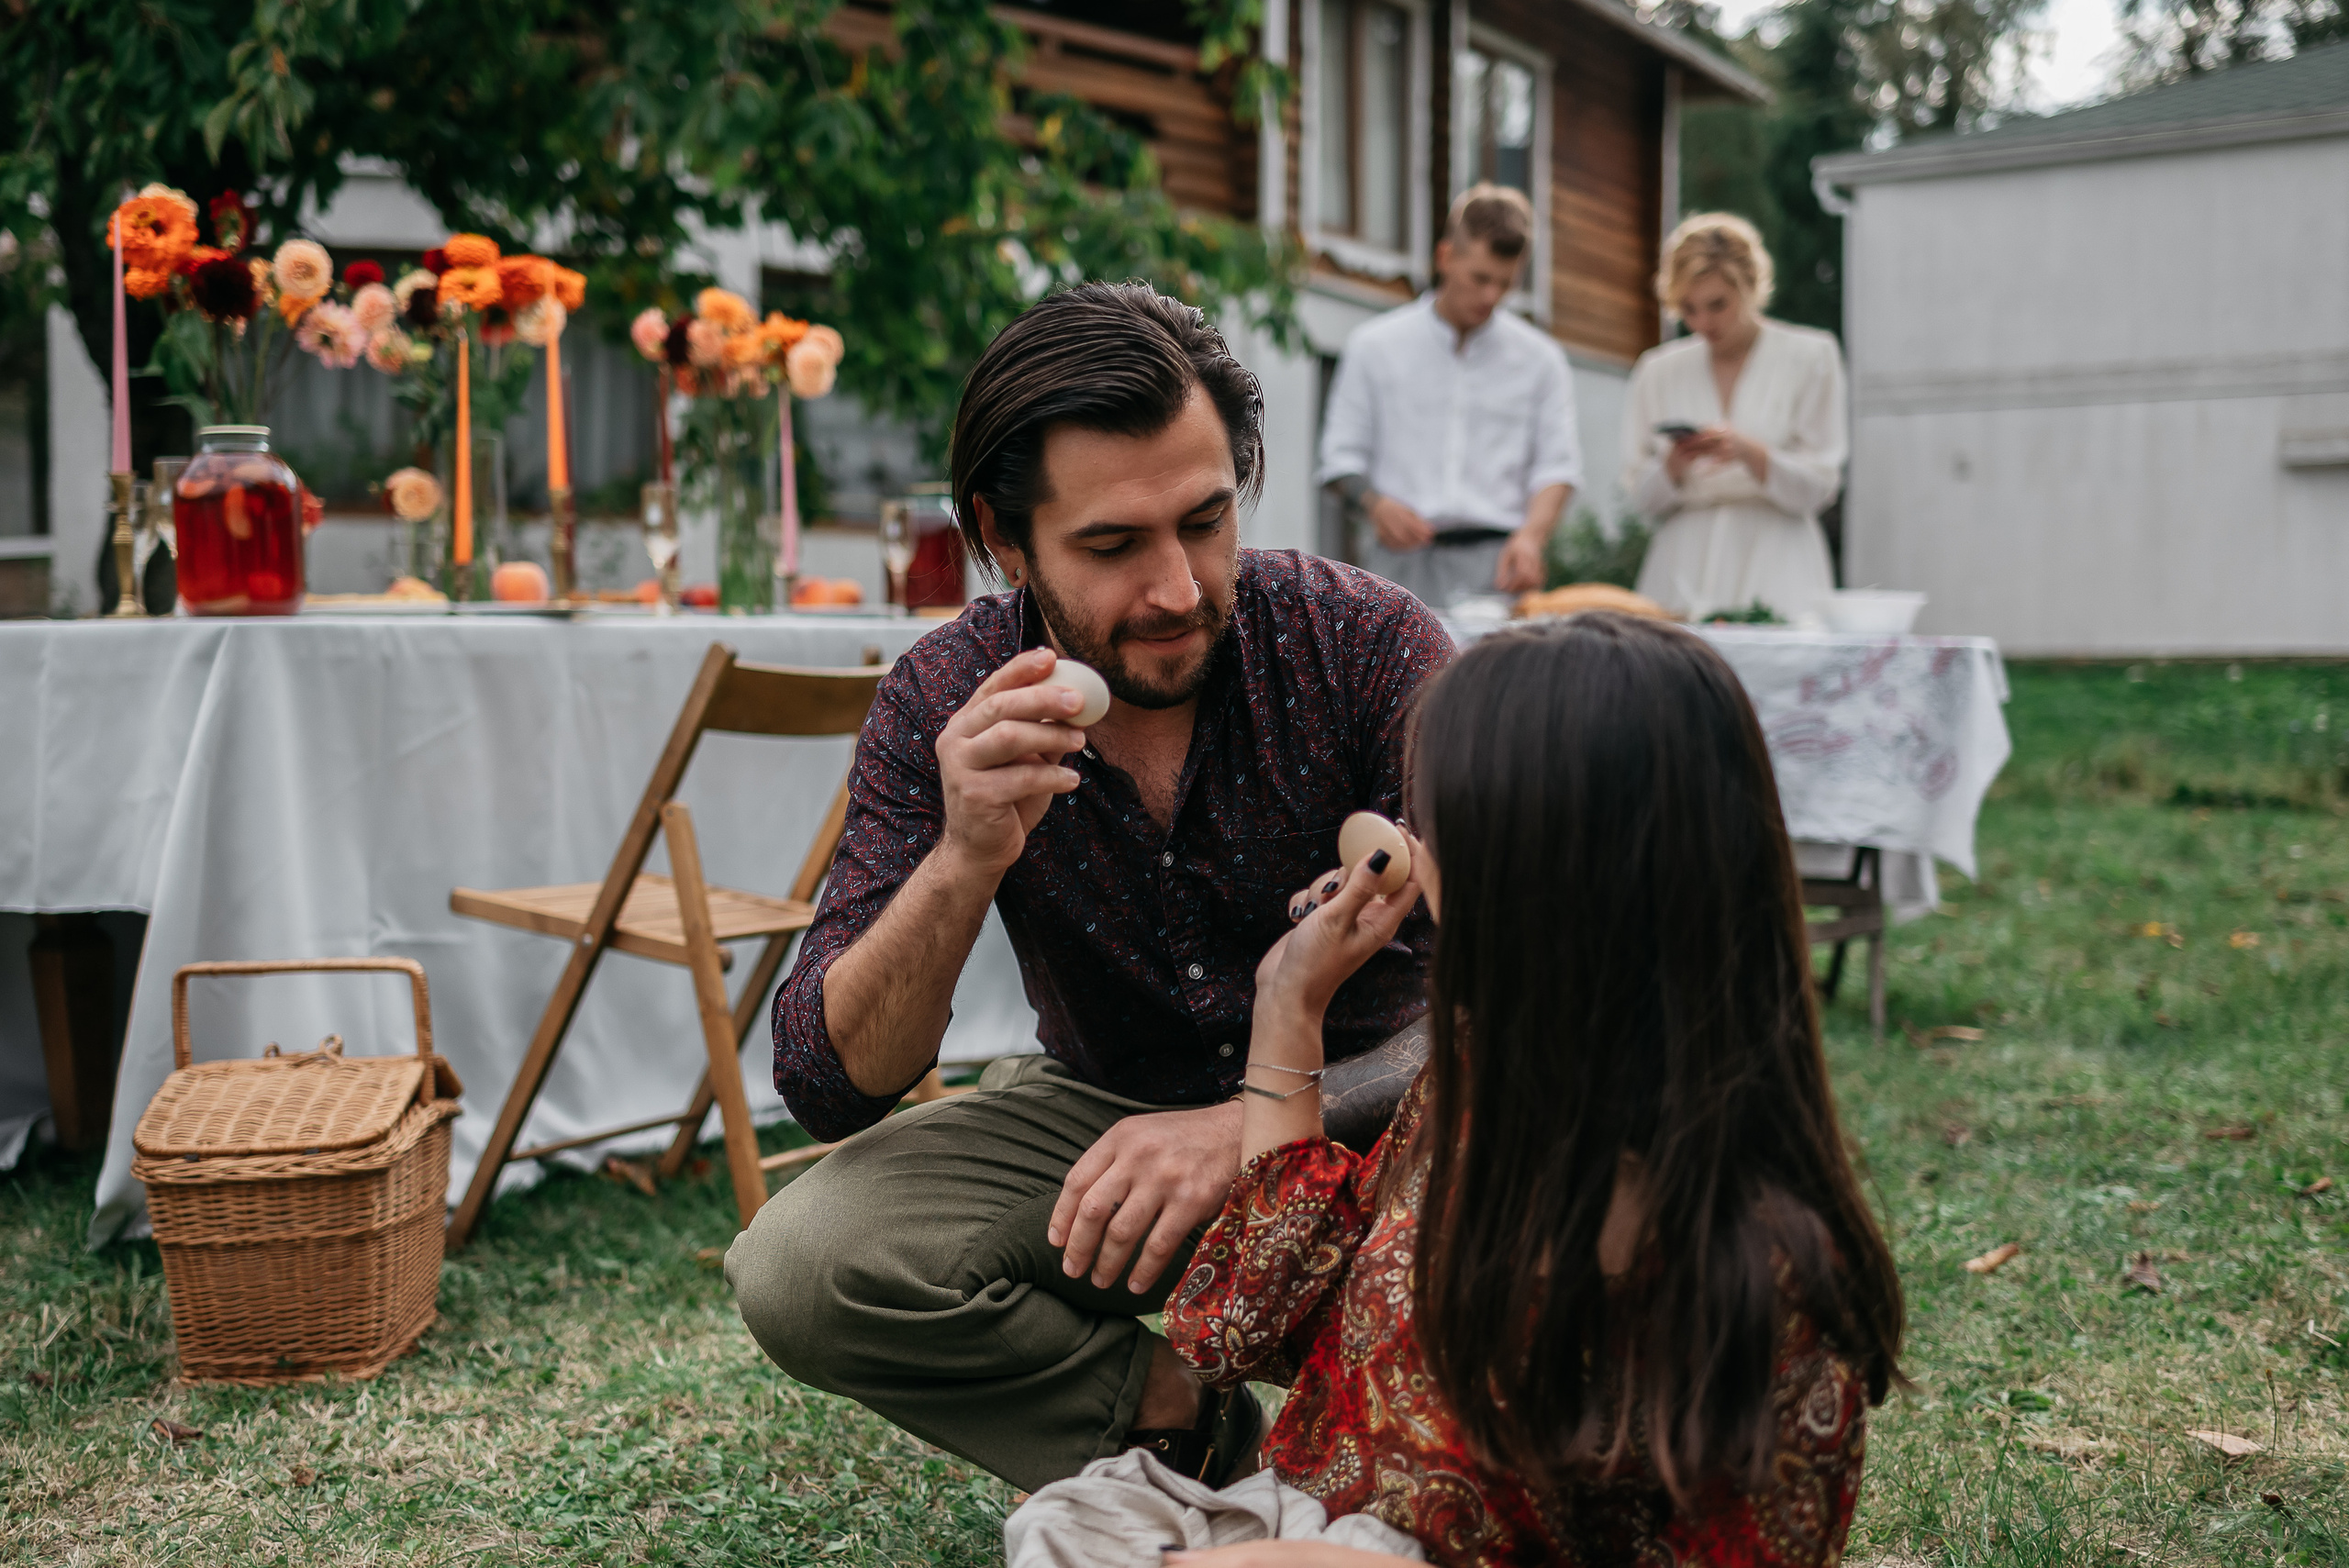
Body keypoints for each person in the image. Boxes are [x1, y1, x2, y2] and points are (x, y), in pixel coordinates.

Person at [725, 282, 1455, 1496]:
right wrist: (965, 858)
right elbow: (824, 1082)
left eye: (1207, 521)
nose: (1176, 586)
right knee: (807, 1262)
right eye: (1113, 546)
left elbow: (1528, 999)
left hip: (1388, 1122)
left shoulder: (1370, 647)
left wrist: (1249, 1124)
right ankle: (1186, 1438)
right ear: (1004, 539)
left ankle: (1403, 1455)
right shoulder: (944, 698)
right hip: (1103, 1119)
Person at [1008, 612, 1905, 1567]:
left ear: (1540, 876)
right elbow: (1279, 1304)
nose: (1411, 852)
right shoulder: (1487, 1068)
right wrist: (1288, 1002)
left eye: (1435, 824)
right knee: (1070, 1519)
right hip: (1309, 1518)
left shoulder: (1769, 1284)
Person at [1318, 183, 1581, 611]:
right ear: (1445, 258)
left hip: (1499, 571)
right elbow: (1340, 461)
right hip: (1397, 566)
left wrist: (1532, 538)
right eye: (1479, 278)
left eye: (1505, 283)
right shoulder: (1374, 345)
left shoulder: (1542, 361)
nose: (1490, 297)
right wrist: (1376, 504)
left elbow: (1558, 467)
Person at [1625, 212, 1850, 624]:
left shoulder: (1811, 356)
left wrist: (1750, 453)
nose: (1703, 323)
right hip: (1681, 563)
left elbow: (1820, 487)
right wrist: (1674, 466)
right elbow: (1640, 498)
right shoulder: (1656, 371)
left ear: (1751, 288)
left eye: (1717, 305)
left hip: (1779, 560)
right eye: (1688, 309)